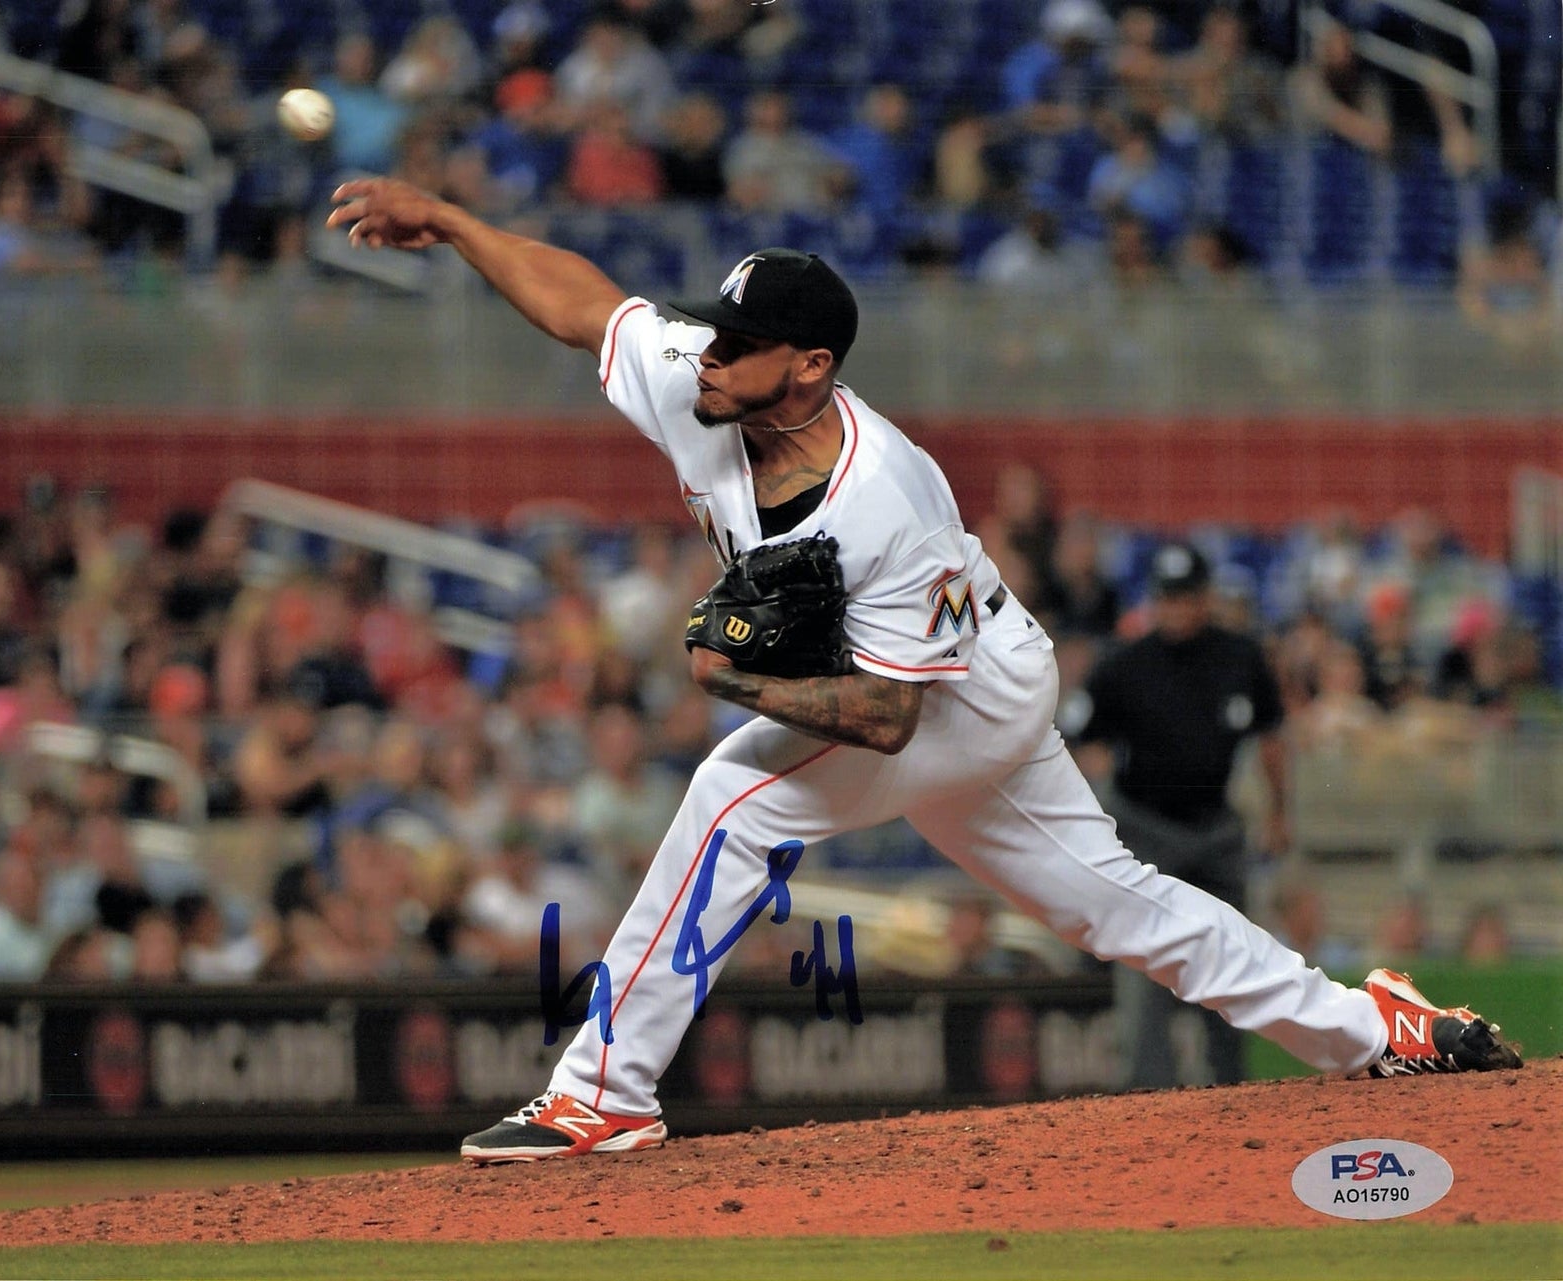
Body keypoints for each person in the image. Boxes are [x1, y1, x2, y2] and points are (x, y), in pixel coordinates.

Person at [327, 177, 1523, 1163]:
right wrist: (454, 223)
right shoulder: (704, 381)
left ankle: (602, 1094)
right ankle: (1376, 1033)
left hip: (959, 692)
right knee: (1112, 904)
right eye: (711, 332)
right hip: (936, 685)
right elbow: (588, 309)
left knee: (731, 797)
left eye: (736, 344)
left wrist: (733, 681)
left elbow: (890, 718)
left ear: (809, 366)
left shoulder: (884, 497)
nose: (706, 355)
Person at [1063, 542, 1290, 1089]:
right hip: (1144, 831)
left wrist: (1280, 811)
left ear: (1206, 598)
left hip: (1216, 828)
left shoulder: (1240, 656)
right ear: (1154, 601)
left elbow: (1271, 737)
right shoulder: (1125, 662)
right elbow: (1076, 736)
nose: (1177, 608)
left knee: (1231, 958)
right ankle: (1148, 1092)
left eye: (1187, 597)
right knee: (1146, 966)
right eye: (1168, 598)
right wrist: (1096, 805)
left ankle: (1231, 1086)